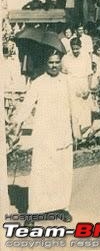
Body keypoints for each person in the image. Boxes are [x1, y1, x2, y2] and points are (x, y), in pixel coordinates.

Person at [9, 51, 74, 223]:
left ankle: (62, 207)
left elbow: (74, 106)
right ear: (46, 63)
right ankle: (32, 213)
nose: (54, 65)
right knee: (40, 173)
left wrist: (78, 128)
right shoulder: (38, 83)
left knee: (63, 173)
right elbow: (27, 105)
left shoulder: (67, 81)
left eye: (57, 62)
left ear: (61, 63)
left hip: (63, 134)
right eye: (51, 62)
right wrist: (16, 121)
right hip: (44, 136)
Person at [61, 37, 93, 140]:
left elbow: (89, 74)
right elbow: (63, 74)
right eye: (73, 48)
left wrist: (88, 89)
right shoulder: (66, 58)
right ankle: (76, 136)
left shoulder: (86, 57)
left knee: (85, 111)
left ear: (80, 47)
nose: (75, 51)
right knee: (75, 112)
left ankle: (86, 136)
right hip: (71, 86)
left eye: (77, 49)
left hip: (83, 84)